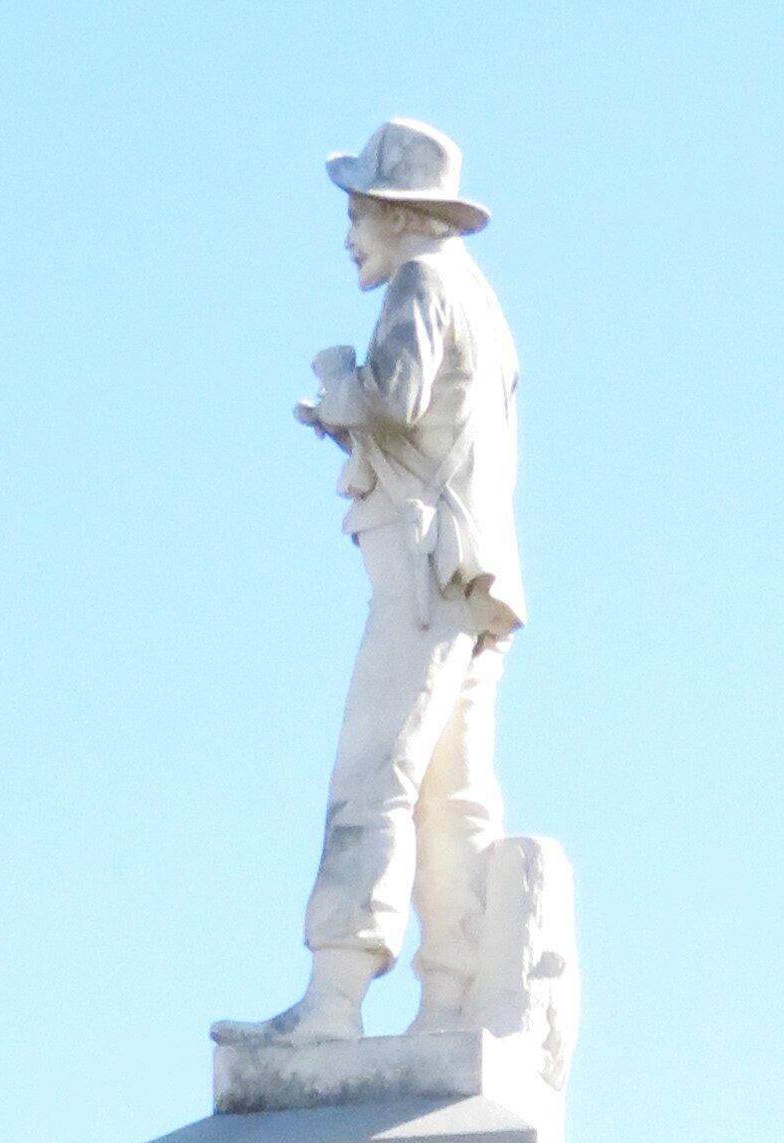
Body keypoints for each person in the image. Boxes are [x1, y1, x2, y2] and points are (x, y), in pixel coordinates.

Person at [259, 120, 523, 1041]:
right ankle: (455, 996)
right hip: (471, 574)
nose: (348, 237)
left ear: (389, 213)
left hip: (419, 567)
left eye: (355, 213)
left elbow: (394, 397)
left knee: (374, 774)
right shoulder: (481, 299)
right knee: (453, 791)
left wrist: (337, 385)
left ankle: (334, 998)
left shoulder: (422, 280)